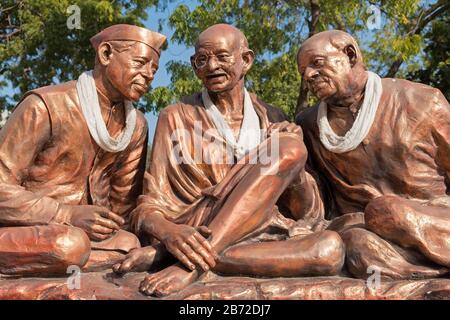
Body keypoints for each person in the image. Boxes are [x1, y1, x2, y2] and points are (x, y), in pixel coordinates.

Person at [113, 24, 345, 297]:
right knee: (289, 151)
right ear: (194, 66)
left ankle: (189, 257)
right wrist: (168, 233)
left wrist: (294, 171)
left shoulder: (275, 118)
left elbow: (308, 214)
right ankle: (195, 263)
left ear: (246, 60)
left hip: (260, 234)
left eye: (222, 57)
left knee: (329, 250)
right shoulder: (176, 117)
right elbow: (150, 206)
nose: (212, 66)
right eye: (202, 59)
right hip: (197, 226)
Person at [0, 24, 166, 276]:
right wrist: (65, 213)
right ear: (106, 54)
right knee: (70, 246)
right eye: (140, 63)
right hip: (30, 227)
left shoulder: (135, 126)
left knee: (128, 244)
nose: (149, 74)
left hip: (87, 238)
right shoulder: (45, 105)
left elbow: (122, 207)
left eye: (153, 69)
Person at [296, 30, 450, 280]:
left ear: (350, 54)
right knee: (357, 244)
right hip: (367, 235)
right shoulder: (309, 125)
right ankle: (424, 280)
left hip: (433, 222)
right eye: (304, 72)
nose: (309, 76)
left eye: (317, 64)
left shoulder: (423, 101)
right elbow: (314, 205)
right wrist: (287, 148)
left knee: (387, 211)